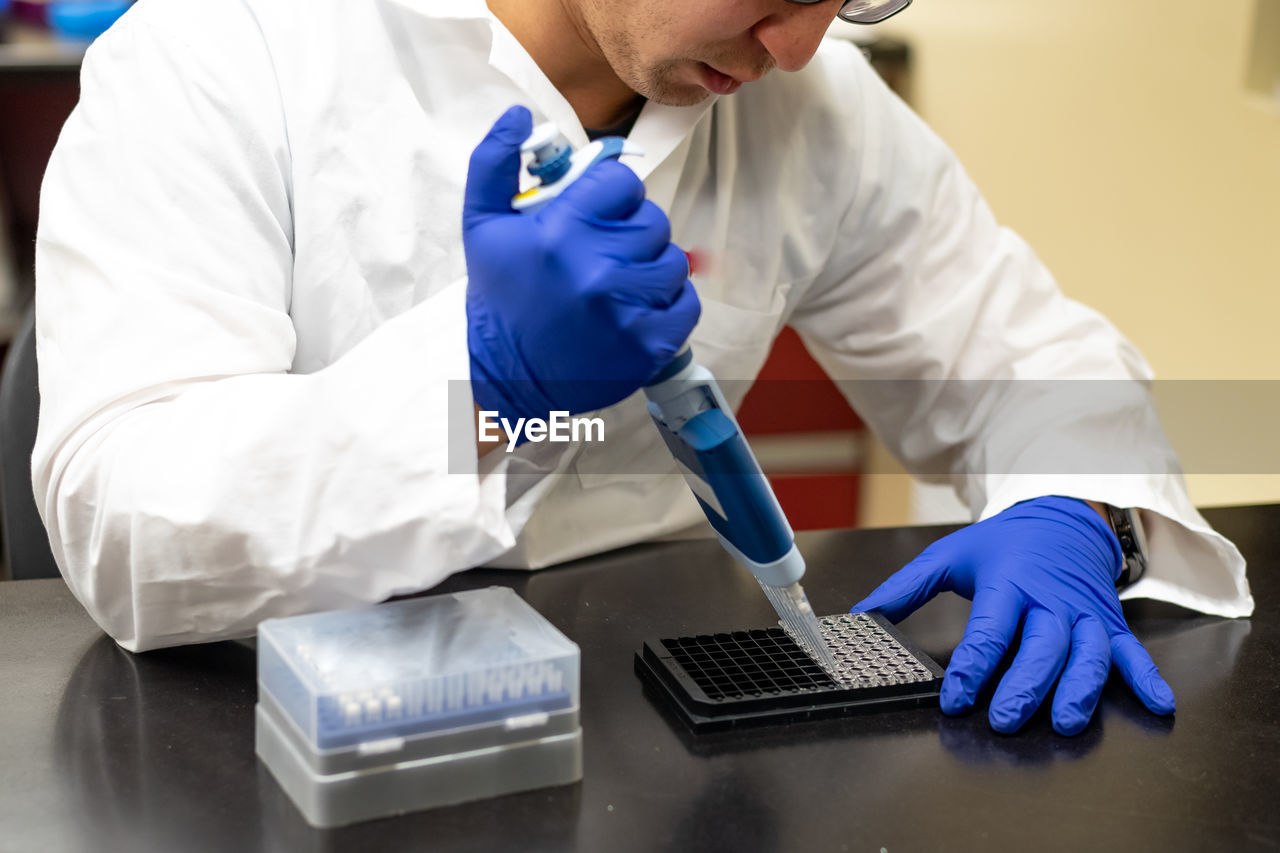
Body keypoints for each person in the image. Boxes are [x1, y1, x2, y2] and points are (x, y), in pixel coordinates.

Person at [33, 0, 1251, 736]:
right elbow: (125, 519)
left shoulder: (811, 102)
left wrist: (1073, 505)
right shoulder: (224, 52)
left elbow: (1026, 357)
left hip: (655, 718)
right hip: (281, 736)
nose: (794, 44)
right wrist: (481, 382)